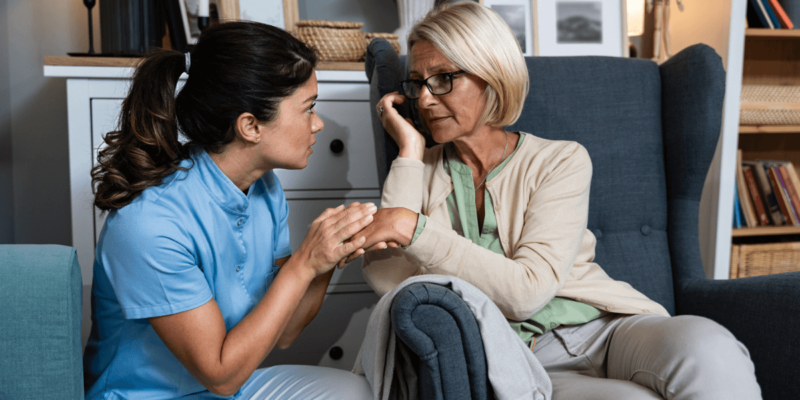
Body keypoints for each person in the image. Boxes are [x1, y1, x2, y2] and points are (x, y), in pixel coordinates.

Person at [355, 3, 762, 399]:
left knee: (708, 347)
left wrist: (414, 228)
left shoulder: (560, 160)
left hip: (605, 327)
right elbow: (388, 279)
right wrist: (408, 151)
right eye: (416, 84)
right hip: (524, 358)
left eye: (443, 78)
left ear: (491, 75)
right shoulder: (418, 172)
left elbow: (527, 291)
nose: (424, 99)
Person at [83, 22, 376, 399]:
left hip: (230, 388)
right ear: (250, 126)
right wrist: (305, 260)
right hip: (149, 394)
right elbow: (219, 375)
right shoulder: (149, 223)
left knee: (359, 392)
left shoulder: (264, 187)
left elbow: (284, 333)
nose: (318, 124)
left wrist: (328, 257)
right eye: (308, 108)